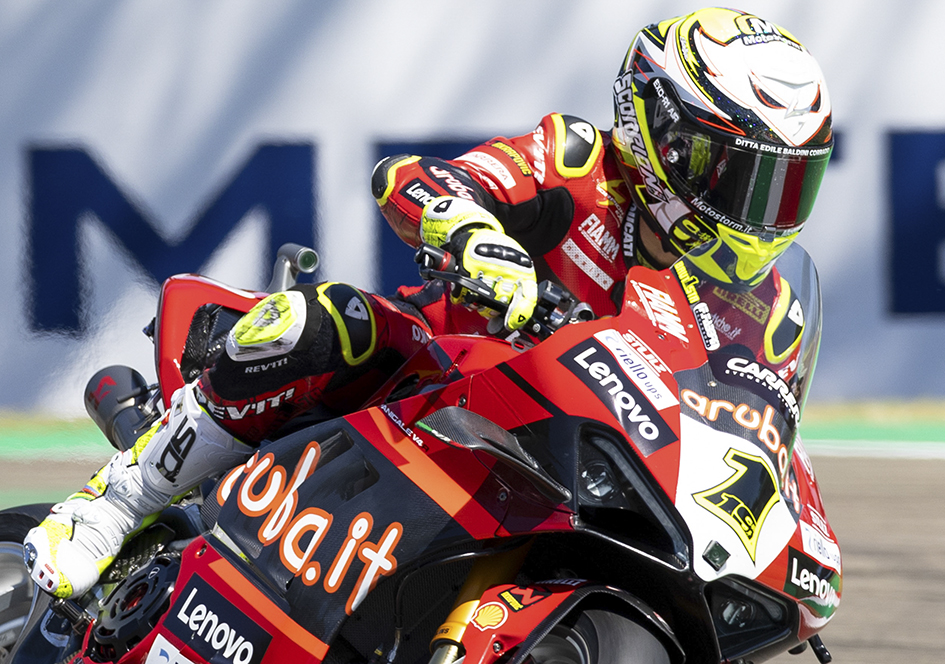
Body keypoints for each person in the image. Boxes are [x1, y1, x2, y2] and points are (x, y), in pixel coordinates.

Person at [24, 7, 832, 600]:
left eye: (789, 183)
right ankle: (118, 500)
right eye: (744, 175)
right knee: (325, 319)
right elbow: (414, 179)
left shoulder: (766, 311)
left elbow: (759, 426)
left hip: (578, 471)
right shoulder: (579, 164)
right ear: (659, 131)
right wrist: (482, 243)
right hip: (430, 388)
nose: (763, 209)